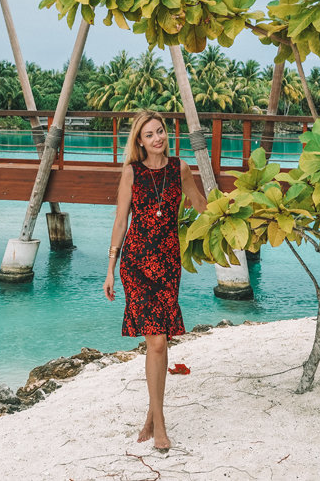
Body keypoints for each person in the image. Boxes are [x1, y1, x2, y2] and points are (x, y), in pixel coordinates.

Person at [103, 110, 207, 452]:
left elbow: (200, 205)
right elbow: (121, 218)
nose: (157, 138)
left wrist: (234, 215)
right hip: (135, 263)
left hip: (166, 263)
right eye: (149, 134)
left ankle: (151, 412)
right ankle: (161, 425)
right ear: (140, 141)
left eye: (160, 131)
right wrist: (110, 267)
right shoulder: (131, 171)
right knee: (158, 342)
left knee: (161, 341)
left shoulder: (180, 168)